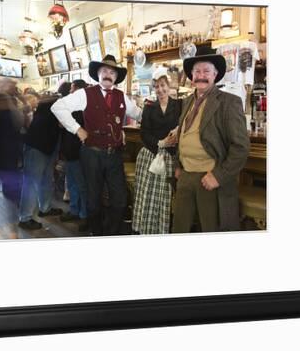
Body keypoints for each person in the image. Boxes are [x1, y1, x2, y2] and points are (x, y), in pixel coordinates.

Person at [51, 55, 142, 236]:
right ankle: (96, 233)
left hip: (114, 155)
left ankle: (111, 232)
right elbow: (58, 107)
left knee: (120, 199)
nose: (108, 75)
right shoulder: (86, 93)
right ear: (98, 73)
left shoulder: (122, 96)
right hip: (91, 154)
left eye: (112, 72)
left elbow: (139, 114)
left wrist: (159, 112)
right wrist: (77, 129)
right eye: (105, 71)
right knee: (93, 198)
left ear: (116, 77)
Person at [173, 46, 250, 232]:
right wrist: (177, 165)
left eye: (206, 71)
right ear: (191, 76)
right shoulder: (187, 102)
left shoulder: (229, 102)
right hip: (185, 176)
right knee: (179, 229)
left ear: (215, 75)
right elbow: (182, 135)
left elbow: (241, 147)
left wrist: (218, 176)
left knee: (211, 231)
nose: (201, 75)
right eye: (197, 71)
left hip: (209, 178)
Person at [132, 68, 181, 234]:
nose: (160, 90)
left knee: (164, 198)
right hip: (150, 155)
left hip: (170, 158)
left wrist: (178, 130)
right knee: (146, 195)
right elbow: (144, 133)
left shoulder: (179, 105)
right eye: (156, 87)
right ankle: (143, 228)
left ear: (168, 85)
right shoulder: (149, 107)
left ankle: (161, 231)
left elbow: (186, 123)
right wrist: (160, 142)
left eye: (162, 85)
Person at [18, 87, 65, 230]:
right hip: (38, 146)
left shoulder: (51, 102)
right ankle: (25, 218)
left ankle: (45, 208)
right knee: (32, 182)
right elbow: (63, 124)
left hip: (46, 145)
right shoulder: (58, 103)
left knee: (45, 179)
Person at [59, 79, 90, 232]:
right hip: (70, 150)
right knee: (72, 182)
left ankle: (84, 214)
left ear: (79, 90)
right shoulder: (72, 105)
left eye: (72, 89)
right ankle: (74, 210)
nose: (70, 92)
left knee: (81, 184)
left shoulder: (84, 106)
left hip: (79, 150)